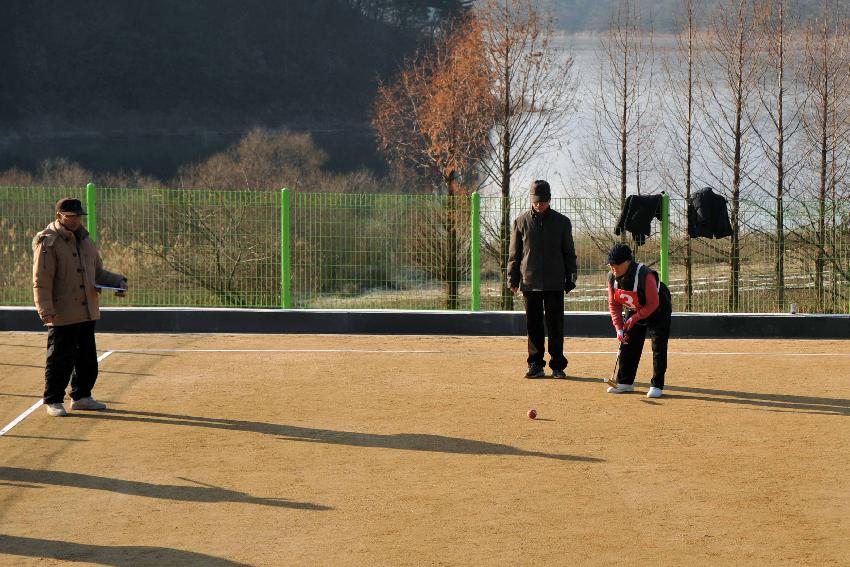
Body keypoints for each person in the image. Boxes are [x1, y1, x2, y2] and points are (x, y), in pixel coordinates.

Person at [32, 198, 127, 416]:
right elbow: (41, 280)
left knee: (87, 359)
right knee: (59, 359)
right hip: (62, 312)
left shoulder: (85, 240)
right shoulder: (48, 242)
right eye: (71, 216)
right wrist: (45, 309)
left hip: (86, 310)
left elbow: (97, 272)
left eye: (78, 216)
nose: (76, 220)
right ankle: (53, 400)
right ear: (59, 216)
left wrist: (118, 281)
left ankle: (82, 396)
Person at [508, 180, 578, 378]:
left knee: (556, 325)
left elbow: (569, 252)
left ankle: (557, 366)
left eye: (544, 201)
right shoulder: (520, 222)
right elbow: (515, 255)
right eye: (537, 201)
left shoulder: (562, 222)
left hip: (555, 283)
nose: (540, 205)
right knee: (533, 326)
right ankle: (535, 364)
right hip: (529, 283)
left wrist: (571, 276)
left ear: (549, 199)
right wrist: (512, 279)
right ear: (531, 199)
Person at [605, 243, 672, 398]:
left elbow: (653, 304)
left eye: (616, 264)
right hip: (635, 307)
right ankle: (625, 383)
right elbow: (614, 304)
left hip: (658, 309)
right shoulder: (612, 278)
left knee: (658, 346)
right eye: (610, 265)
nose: (613, 268)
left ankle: (657, 385)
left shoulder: (645, 275)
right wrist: (619, 328)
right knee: (628, 342)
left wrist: (635, 317)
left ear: (628, 262)